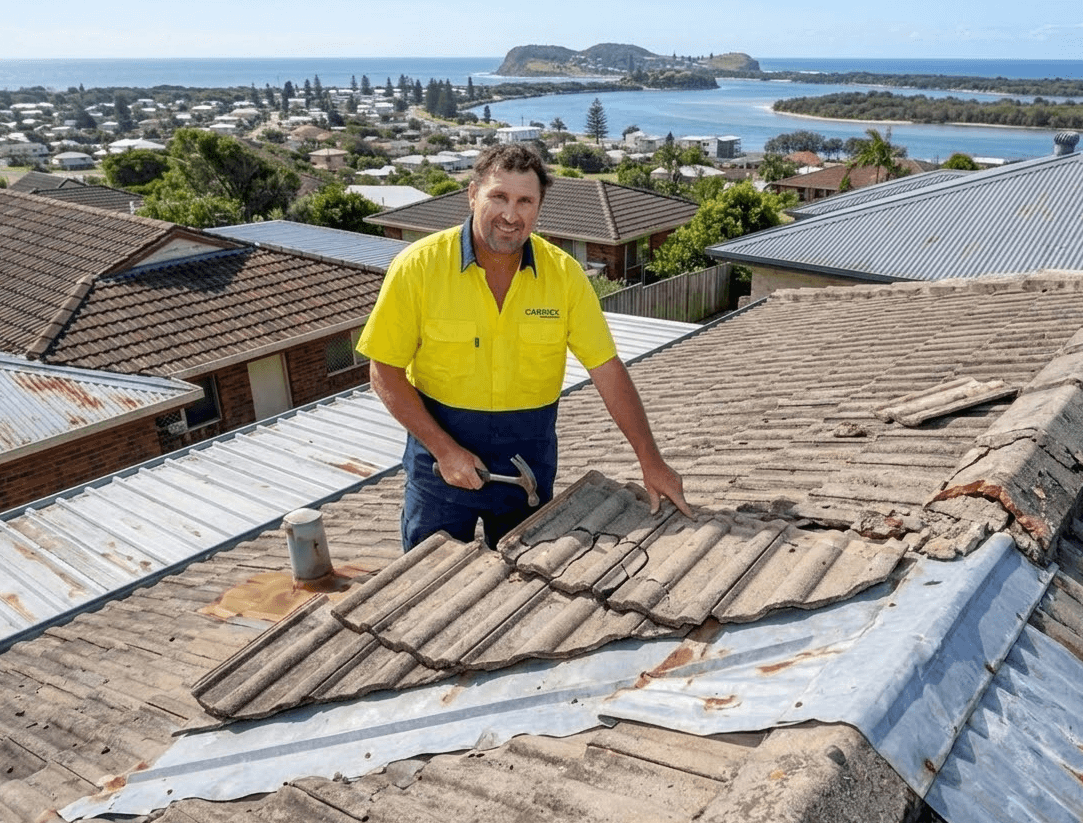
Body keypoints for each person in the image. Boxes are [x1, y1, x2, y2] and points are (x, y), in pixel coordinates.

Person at [358, 143, 691, 550]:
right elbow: (384, 371)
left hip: (527, 466)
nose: (511, 215)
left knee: (526, 579)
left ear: (539, 206)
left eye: (525, 201)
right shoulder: (418, 267)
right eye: (498, 197)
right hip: (439, 465)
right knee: (430, 579)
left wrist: (650, 459)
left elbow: (606, 368)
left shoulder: (565, 276)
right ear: (473, 194)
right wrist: (445, 449)